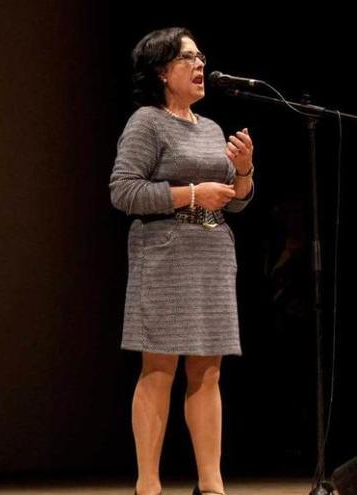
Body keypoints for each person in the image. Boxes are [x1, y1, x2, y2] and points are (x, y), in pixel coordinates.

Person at [109, 27, 256, 495]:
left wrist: (245, 169)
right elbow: (123, 191)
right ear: (161, 71)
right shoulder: (146, 122)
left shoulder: (211, 128)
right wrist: (192, 193)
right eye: (188, 58)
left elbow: (235, 201)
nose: (200, 66)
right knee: (159, 369)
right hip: (165, 257)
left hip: (212, 255)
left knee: (208, 371)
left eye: (201, 57)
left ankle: (211, 484)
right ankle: (147, 484)